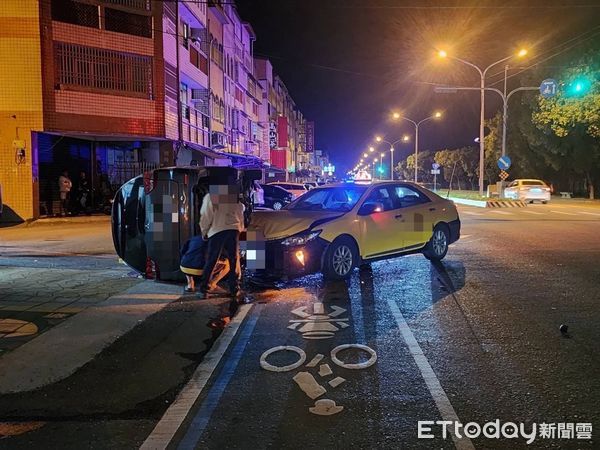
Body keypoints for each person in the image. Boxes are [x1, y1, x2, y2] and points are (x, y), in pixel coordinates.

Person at [198, 185, 245, 298]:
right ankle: (234, 289)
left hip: (217, 230)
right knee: (233, 260)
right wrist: (240, 229)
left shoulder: (210, 197)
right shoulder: (234, 198)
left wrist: (204, 231)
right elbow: (241, 214)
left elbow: (206, 216)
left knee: (212, 259)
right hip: (233, 230)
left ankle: (204, 289)